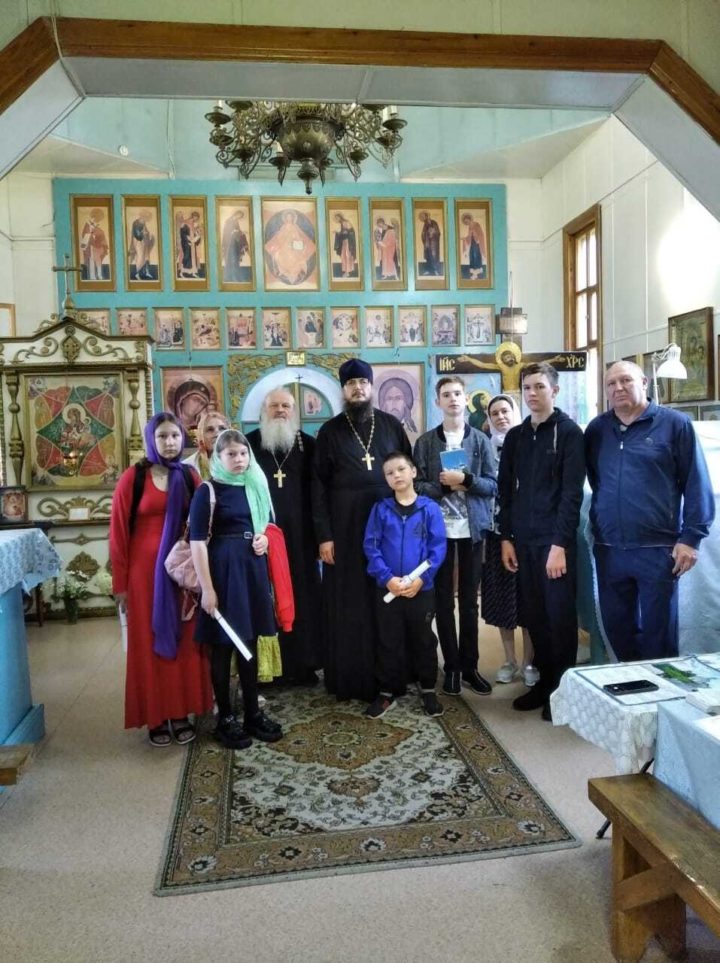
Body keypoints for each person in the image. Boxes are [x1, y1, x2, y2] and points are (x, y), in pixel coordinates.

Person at [585, 360, 714, 661]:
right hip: (610, 549)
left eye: (626, 380)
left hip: (657, 550)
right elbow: (596, 478)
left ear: (644, 383)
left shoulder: (674, 424)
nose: (618, 388)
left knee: (659, 636)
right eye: (611, 383)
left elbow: (696, 483)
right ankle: (631, 687)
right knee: (618, 630)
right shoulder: (597, 429)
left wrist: (691, 538)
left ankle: (660, 690)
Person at [109, 412, 213, 747]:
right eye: (162, 436)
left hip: (181, 571)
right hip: (143, 577)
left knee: (185, 640)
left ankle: (180, 712)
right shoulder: (134, 478)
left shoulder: (190, 476)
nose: (170, 443)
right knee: (149, 640)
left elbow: (205, 521)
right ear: (151, 440)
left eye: (175, 436)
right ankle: (156, 716)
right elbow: (118, 533)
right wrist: (120, 585)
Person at [312, 358, 412, 701]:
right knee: (349, 602)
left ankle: (393, 675)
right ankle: (350, 678)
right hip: (344, 528)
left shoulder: (390, 425)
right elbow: (318, 487)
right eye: (351, 383)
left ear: (371, 386)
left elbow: (408, 473)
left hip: (389, 526)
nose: (358, 388)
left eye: (363, 382)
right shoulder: (329, 432)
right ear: (343, 390)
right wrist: (324, 535)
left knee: (387, 598)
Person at [497, 363, 585, 721]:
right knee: (534, 616)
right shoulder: (517, 436)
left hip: (555, 544)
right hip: (523, 541)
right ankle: (544, 685)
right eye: (527, 388)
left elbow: (571, 494)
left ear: (555, 391)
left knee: (559, 618)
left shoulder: (569, 433)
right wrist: (506, 537)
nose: (532, 394)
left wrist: (560, 544)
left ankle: (561, 693)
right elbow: (505, 490)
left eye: (539, 387)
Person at [189, 429, 283, 749]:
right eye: (231, 454)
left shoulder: (255, 484)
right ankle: (226, 718)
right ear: (218, 457)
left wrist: (264, 539)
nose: (239, 459)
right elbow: (197, 543)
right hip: (224, 572)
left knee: (250, 642)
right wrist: (207, 588)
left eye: (243, 453)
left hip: (251, 570)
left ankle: (252, 713)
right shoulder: (208, 490)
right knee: (223, 645)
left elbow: (265, 525)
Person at [414, 376, 497, 697]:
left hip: (472, 532)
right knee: (444, 601)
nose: (452, 399)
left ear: (465, 399)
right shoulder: (425, 442)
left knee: (469, 602)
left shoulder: (480, 440)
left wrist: (467, 480)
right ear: (438, 401)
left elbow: (492, 485)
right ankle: (450, 667)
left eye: (458, 394)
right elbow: (417, 486)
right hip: (440, 533)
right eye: (446, 394)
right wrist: (444, 486)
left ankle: (470, 666)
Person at [363, 451, 447, 719]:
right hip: (389, 588)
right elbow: (371, 547)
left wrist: (421, 579)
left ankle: (428, 688)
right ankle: (387, 691)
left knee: (424, 639)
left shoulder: (430, 509)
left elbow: (437, 549)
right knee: (388, 639)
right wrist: (387, 578)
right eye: (389, 472)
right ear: (385, 479)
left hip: (420, 589)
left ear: (413, 472)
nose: (396, 475)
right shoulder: (380, 510)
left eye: (401, 469)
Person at [246, 388, 322, 685]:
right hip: (263, 537)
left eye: (286, 405)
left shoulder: (309, 446)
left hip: (302, 538)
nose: (280, 410)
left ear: (294, 411)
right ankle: (269, 669)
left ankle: (305, 664)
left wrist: (320, 536)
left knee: (304, 597)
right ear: (264, 410)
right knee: (267, 598)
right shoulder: (249, 444)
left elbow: (319, 493)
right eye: (274, 405)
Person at [481, 394, 538, 686]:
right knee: (502, 601)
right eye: (495, 413)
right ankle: (509, 660)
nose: (501, 417)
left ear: (515, 413)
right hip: (495, 534)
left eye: (505, 411)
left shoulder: (529, 443)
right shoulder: (484, 449)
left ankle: (529, 662)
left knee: (527, 601)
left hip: (526, 534)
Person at [264, 209, 316, 286]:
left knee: (297, 257)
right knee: (280, 255)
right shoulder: (283, 227)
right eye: (288, 217)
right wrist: (284, 238)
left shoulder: (295, 227)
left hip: (293, 246)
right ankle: (285, 272)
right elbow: (279, 237)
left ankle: (294, 273)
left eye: (290, 217)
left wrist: (294, 239)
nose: (289, 218)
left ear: (293, 218)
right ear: (285, 218)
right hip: (284, 246)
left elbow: (299, 237)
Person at [183, 409, 231, 481]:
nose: (217, 434)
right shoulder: (187, 467)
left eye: (222, 428)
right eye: (210, 430)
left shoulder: (241, 459)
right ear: (201, 437)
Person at [79, 208, 108, 281]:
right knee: (91, 260)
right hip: (91, 246)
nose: (95, 220)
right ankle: (92, 277)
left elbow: (99, 233)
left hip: (97, 247)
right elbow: (86, 235)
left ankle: (99, 275)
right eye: (95, 218)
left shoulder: (96, 226)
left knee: (98, 261)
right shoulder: (87, 225)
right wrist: (91, 233)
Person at [221, 209, 249, 283]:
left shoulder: (236, 222)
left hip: (235, 244)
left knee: (235, 261)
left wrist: (241, 232)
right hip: (229, 244)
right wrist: (235, 232)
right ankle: (230, 277)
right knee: (231, 260)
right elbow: (226, 233)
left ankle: (235, 276)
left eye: (240, 217)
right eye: (239, 216)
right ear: (236, 214)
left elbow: (237, 231)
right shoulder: (228, 221)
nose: (239, 217)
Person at [128, 210, 155, 281]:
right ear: (142, 216)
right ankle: (137, 273)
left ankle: (146, 272)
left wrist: (147, 234)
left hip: (144, 241)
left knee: (146, 256)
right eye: (145, 217)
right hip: (138, 241)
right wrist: (143, 233)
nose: (146, 219)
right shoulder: (136, 223)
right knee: (140, 256)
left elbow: (146, 231)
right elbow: (137, 235)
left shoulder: (143, 223)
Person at [461, 212, 487, 280]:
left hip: (477, 243)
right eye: (465, 222)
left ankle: (477, 273)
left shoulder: (476, 224)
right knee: (471, 256)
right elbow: (469, 236)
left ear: (469, 219)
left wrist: (477, 237)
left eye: (467, 221)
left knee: (476, 256)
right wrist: (464, 238)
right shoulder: (469, 227)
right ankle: (474, 274)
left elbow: (481, 234)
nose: (467, 223)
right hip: (472, 243)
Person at [333, 213, 357, 277]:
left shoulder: (346, 222)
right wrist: (337, 233)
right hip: (344, 242)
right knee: (343, 256)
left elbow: (352, 231)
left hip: (348, 242)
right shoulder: (341, 224)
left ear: (340, 217)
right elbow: (342, 233)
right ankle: (346, 271)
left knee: (347, 256)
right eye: (336, 218)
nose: (337, 219)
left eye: (337, 218)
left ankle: (347, 272)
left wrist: (347, 232)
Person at [419, 210, 442, 275]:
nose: (423, 219)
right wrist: (424, 236)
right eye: (422, 217)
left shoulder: (434, 222)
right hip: (427, 243)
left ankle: (436, 270)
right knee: (428, 256)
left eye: (424, 217)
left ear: (427, 216)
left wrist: (432, 233)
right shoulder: (425, 224)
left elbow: (437, 232)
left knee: (434, 256)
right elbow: (423, 233)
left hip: (433, 244)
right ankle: (429, 270)